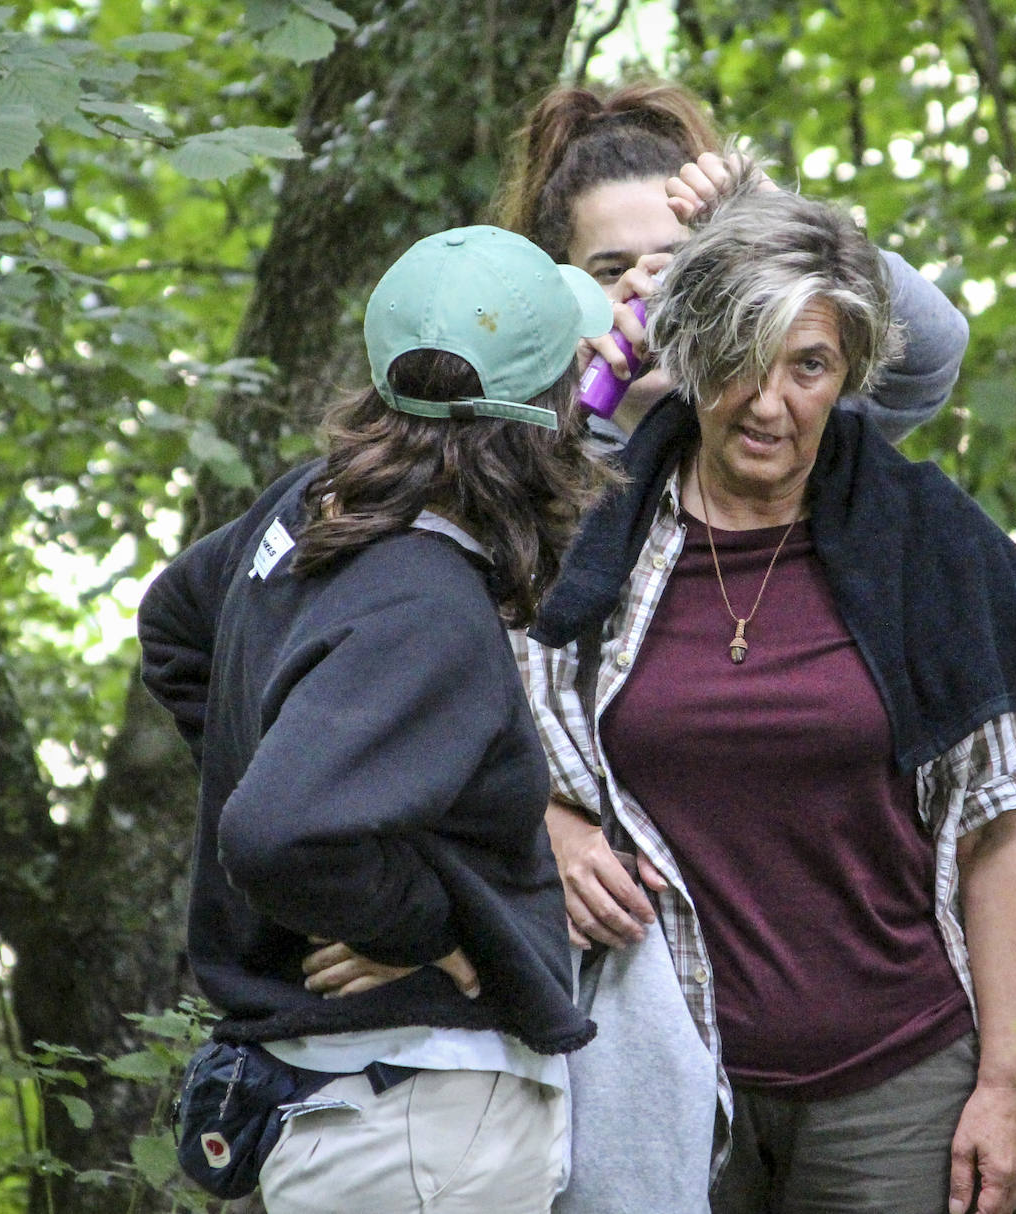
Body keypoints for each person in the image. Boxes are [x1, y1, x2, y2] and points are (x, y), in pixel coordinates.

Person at [520, 187, 1016, 1213]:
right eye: (744, 356)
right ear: (694, 351)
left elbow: (1004, 830)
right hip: (666, 1076)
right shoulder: (597, 541)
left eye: (810, 366)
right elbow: (482, 714)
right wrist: (551, 818)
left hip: (898, 1082)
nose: (770, 403)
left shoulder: (929, 544)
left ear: (847, 375)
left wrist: (1007, 1085)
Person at [138, 225, 617, 1213]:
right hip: (415, 1120)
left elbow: (176, 624)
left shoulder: (306, 509)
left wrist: (281, 775)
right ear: (544, 416)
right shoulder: (426, 600)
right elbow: (276, 831)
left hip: (348, 1109)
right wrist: (426, 926)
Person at [493, 78, 971, 450]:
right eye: (612, 271)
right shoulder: (524, 430)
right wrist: (557, 402)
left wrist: (791, 224)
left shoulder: (777, 419)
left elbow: (934, 352)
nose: (647, 291)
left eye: (675, 264)